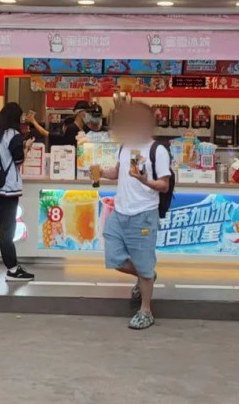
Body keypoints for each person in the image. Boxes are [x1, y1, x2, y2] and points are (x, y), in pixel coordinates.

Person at [96, 102, 171, 330]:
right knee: (115, 259)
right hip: (119, 213)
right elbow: (118, 172)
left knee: (143, 262)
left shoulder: (157, 150)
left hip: (143, 214)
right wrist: (100, 171)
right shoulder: (125, 146)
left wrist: (145, 180)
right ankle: (147, 276)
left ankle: (146, 311)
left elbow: (164, 185)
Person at [0, 102, 35, 282]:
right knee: (6, 231)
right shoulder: (13, 135)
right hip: (8, 190)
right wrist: (27, 148)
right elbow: (18, 160)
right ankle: (12, 269)